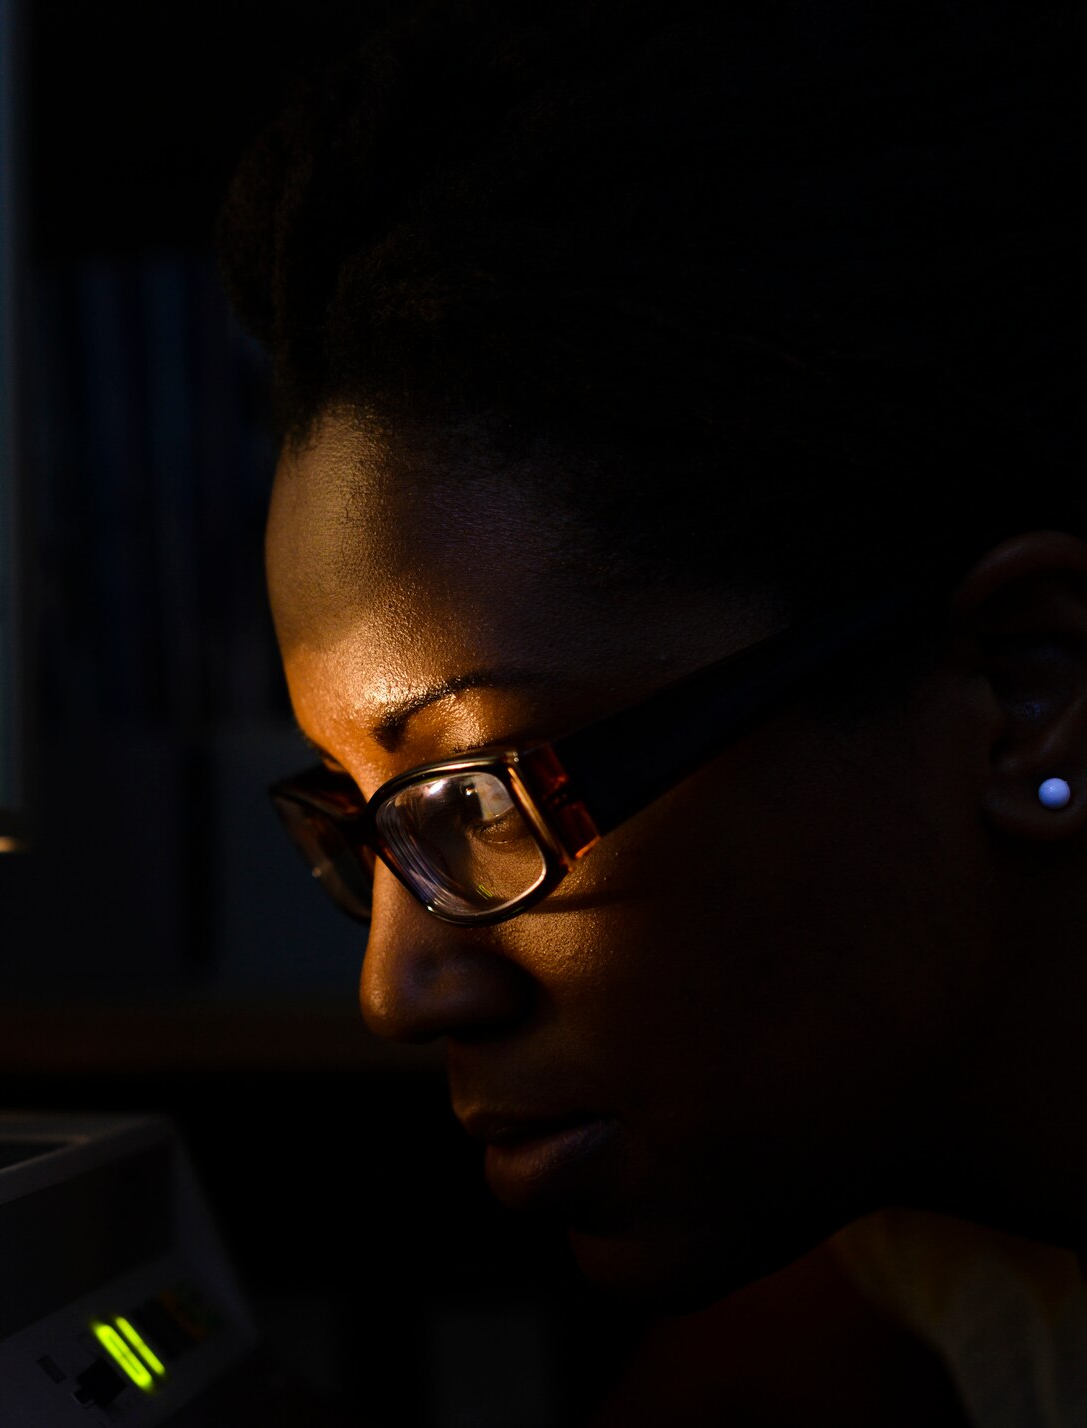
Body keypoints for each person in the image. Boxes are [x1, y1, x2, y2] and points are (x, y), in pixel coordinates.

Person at [215, 0, 1086, 1422]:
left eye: (485, 790)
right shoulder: (932, 1242)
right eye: (364, 827)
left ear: (1024, 693)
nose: (398, 990)